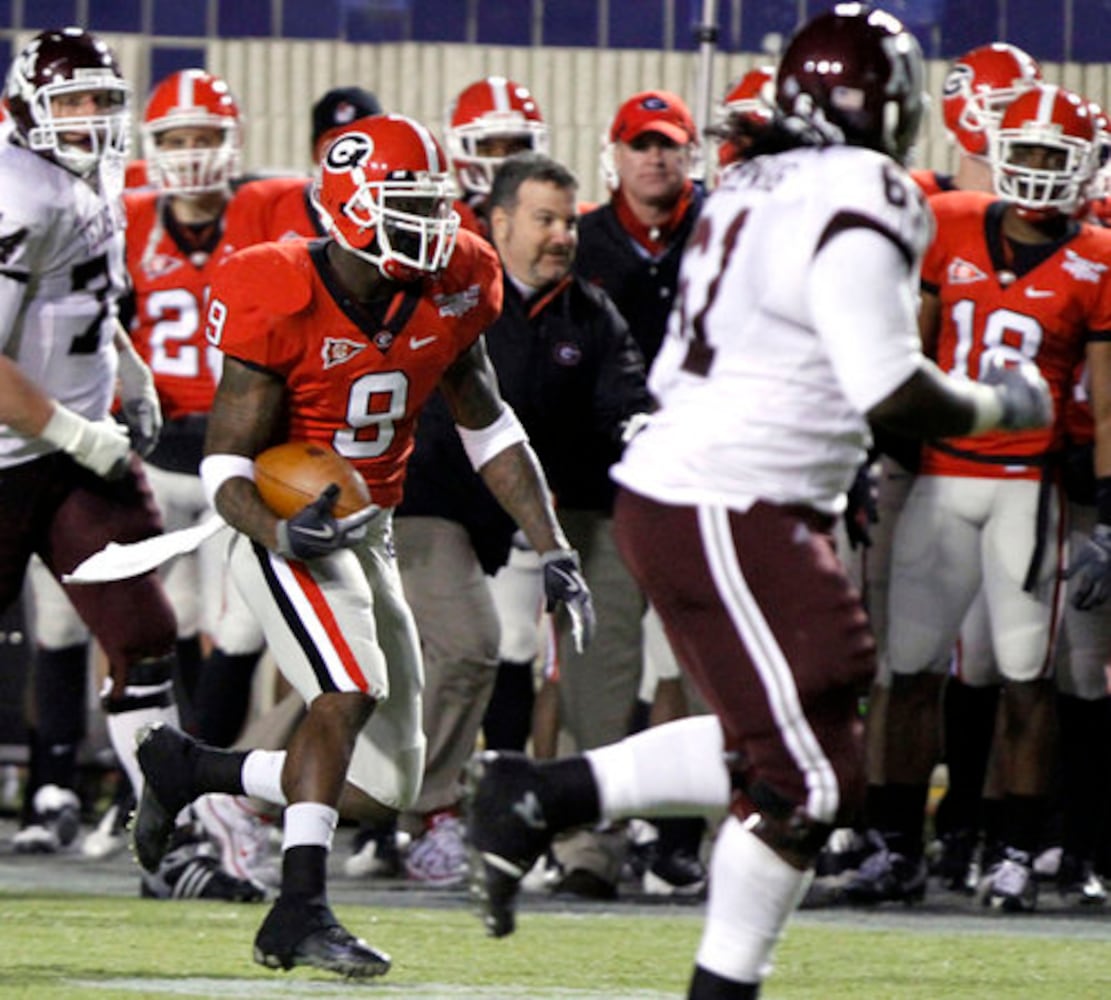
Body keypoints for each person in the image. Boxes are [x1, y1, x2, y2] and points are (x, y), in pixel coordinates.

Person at [466, 7, 1053, 997]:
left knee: (796, 730)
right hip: (728, 494)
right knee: (812, 778)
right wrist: (1001, 400)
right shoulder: (861, 186)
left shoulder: (746, 183)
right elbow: (884, 382)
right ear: (891, 103)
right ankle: (695, 955)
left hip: (721, 490)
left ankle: (548, 789)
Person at [130, 113, 594, 979]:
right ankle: (298, 910)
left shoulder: (454, 280)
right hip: (278, 518)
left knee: (388, 788)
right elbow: (227, 462)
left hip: (368, 525)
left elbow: (488, 428)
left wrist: (553, 544)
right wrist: (280, 529)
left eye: (429, 202)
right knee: (347, 689)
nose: (429, 224)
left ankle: (190, 766)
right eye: (402, 204)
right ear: (346, 210)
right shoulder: (276, 287)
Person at [857, 82, 1111, 914]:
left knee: (1024, 675)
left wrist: (1106, 517)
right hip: (938, 476)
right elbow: (910, 350)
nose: (1035, 169)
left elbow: (1105, 408)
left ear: (1080, 167)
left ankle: (1013, 848)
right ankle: (894, 843)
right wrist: (870, 451)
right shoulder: (955, 220)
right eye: (1026, 150)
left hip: (1025, 487)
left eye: (1052, 155)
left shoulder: (1098, 259)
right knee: (907, 670)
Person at [389, 151, 652, 887]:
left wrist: (641, 431)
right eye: (545, 220)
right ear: (498, 222)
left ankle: (588, 847)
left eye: (569, 220)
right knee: (454, 652)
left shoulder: (589, 312)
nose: (563, 235)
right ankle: (419, 812)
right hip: (444, 505)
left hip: (569, 508)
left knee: (599, 673)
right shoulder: (452, 294)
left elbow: (623, 405)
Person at [0, 26, 194, 877]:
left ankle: (167, 844)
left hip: (77, 454)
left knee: (145, 634)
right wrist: (81, 432)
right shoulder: (15, 192)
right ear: (25, 108)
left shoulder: (96, 174)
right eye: (69, 102)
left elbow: (84, 296)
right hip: (13, 455)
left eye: (99, 101)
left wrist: (131, 370)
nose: (87, 118)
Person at [566, 85, 709, 897]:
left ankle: (686, 837)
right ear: (614, 155)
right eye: (639, 143)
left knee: (702, 666)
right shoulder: (580, 240)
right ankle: (589, 839)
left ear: (689, 152)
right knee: (598, 669)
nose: (653, 156)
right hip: (604, 487)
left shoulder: (726, 230)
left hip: (700, 484)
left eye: (667, 143)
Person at [444, 76, 549, 236]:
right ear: (459, 147)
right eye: (487, 147)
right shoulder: (451, 225)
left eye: (516, 147)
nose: (501, 161)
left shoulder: (560, 221)